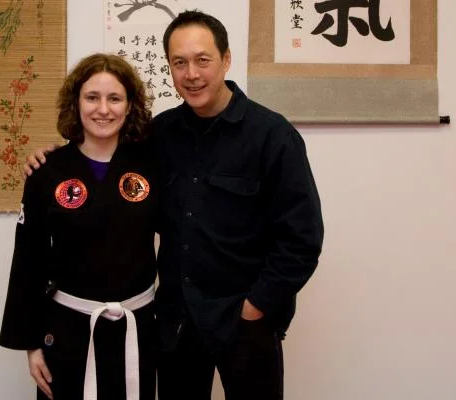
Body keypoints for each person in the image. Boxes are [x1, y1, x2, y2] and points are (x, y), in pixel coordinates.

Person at [24, 10, 324, 400]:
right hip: (177, 322)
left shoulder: (273, 136)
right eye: (179, 63)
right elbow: (102, 149)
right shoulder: (160, 134)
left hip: (246, 321)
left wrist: (256, 306)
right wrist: (52, 158)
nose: (191, 74)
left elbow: (302, 238)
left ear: (226, 59)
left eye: (203, 60)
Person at [0, 53, 159, 400]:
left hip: (137, 327)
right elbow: (28, 260)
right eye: (92, 97)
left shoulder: (151, 167)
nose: (103, 109)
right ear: (77, 102)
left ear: (130, 105)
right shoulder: (47, 171)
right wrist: (31, 344)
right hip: (68, 329)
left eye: (114, 98)